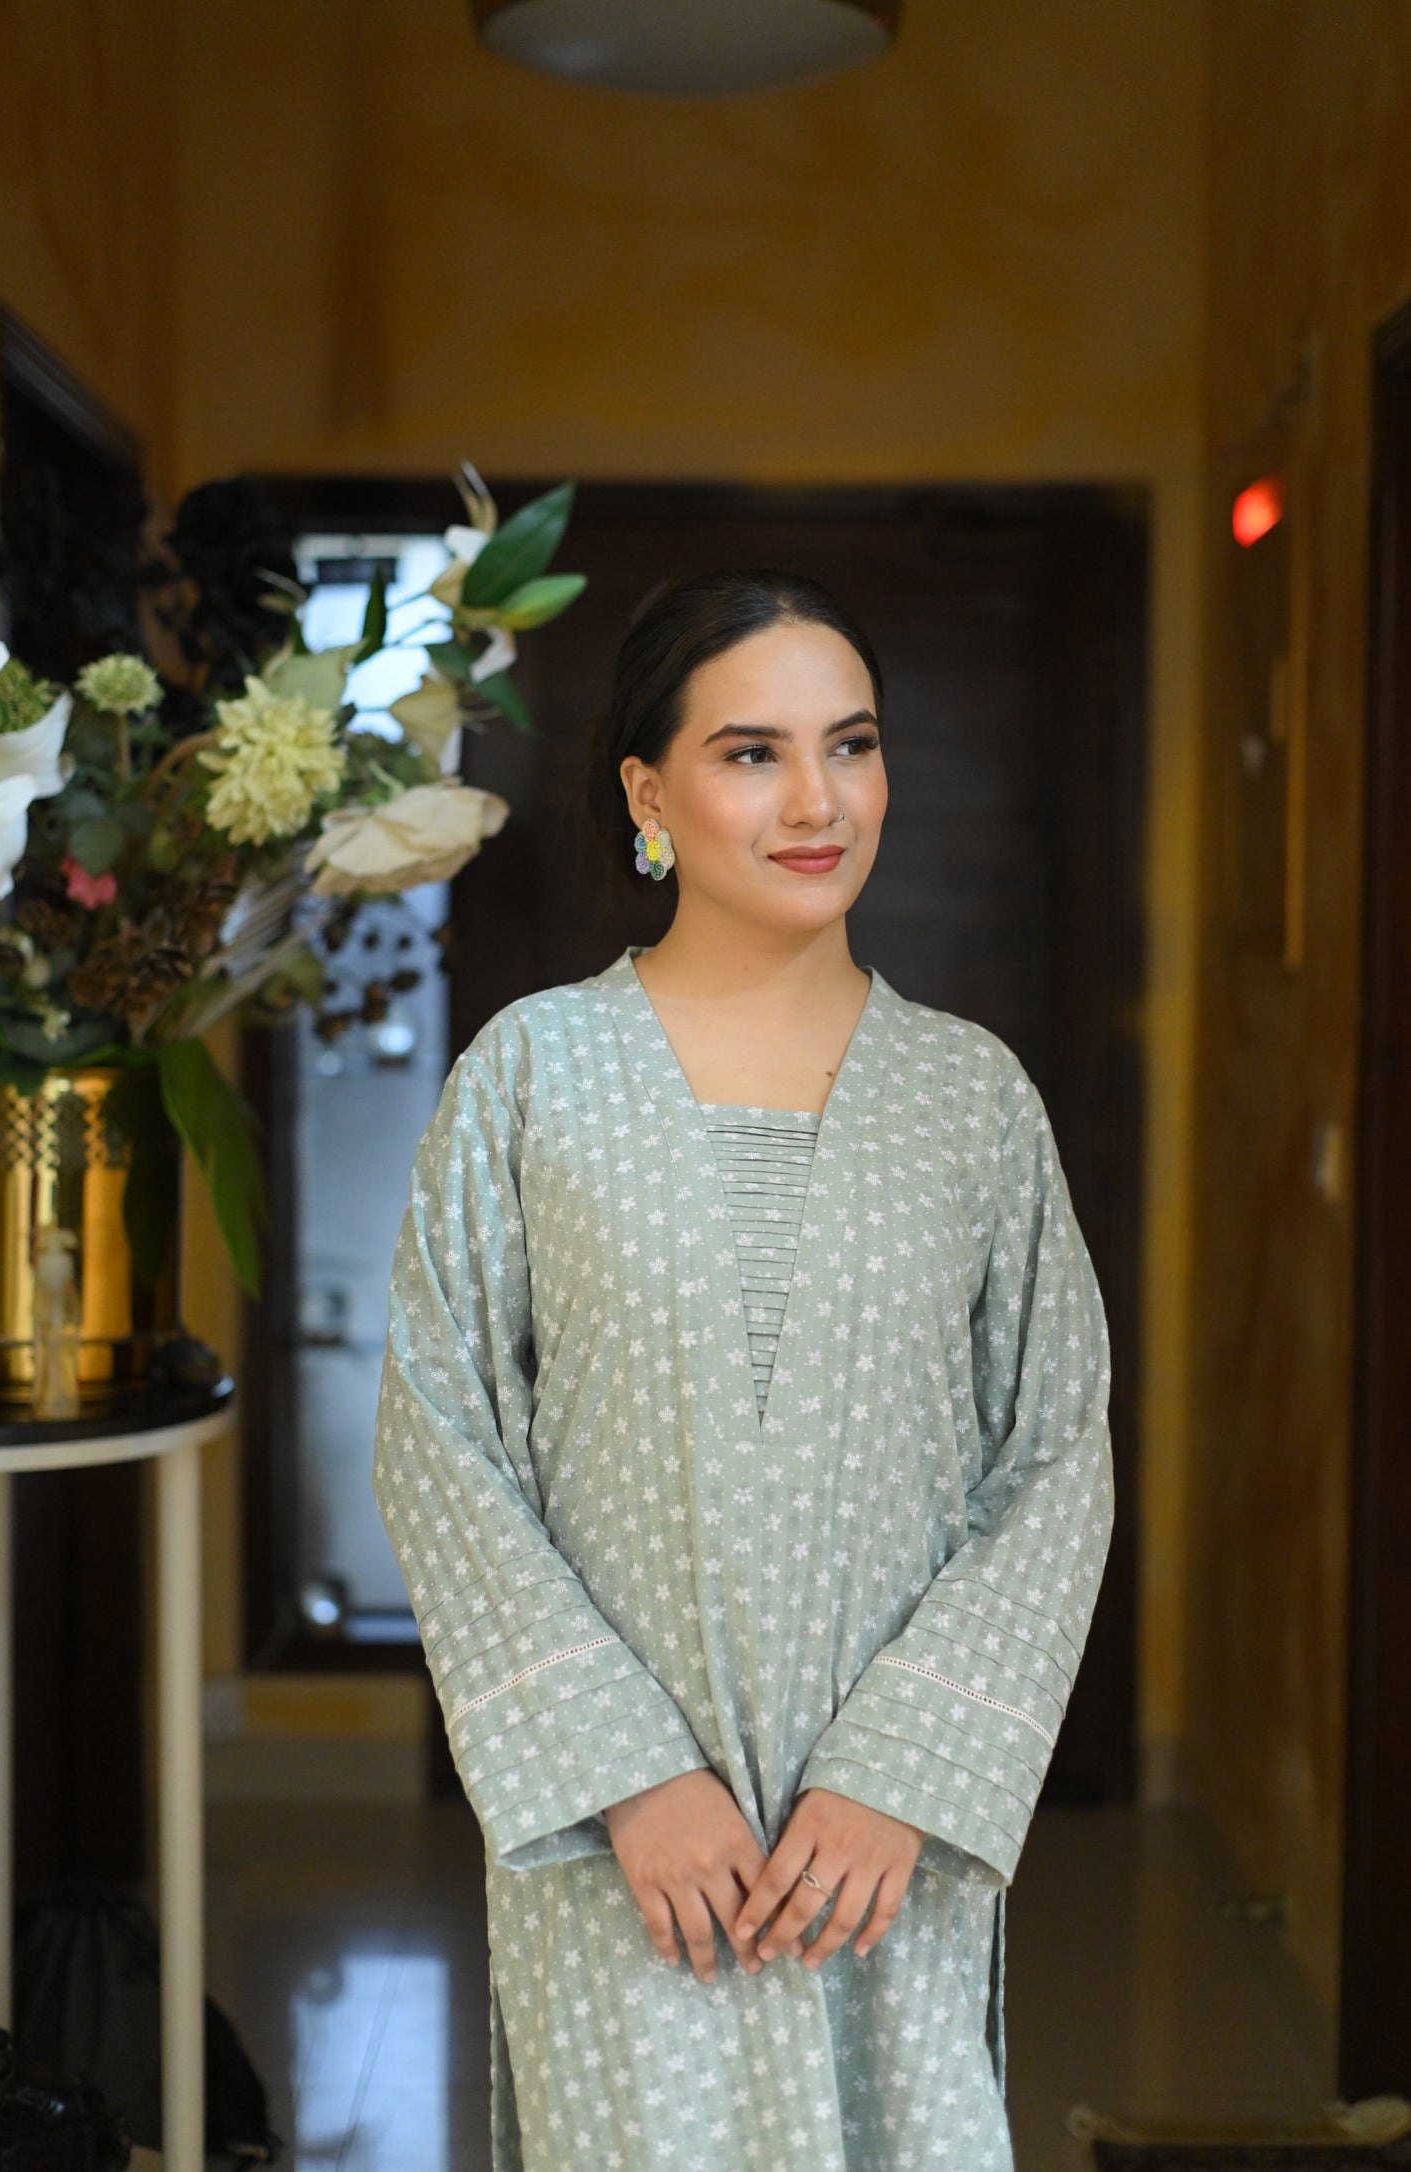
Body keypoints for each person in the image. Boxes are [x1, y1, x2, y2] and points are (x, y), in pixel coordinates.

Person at [372, 569, 1114, 2172]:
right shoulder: (531, 1077)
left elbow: (1055, 1452)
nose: (816, 801)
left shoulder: (971, 1099)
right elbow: (438, 1435)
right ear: (649, 793)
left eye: (849, 744)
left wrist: (901, 1778)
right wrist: (629, 1778)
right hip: (624, 1865)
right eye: (750, 754)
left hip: (883, 1859)